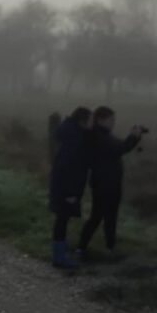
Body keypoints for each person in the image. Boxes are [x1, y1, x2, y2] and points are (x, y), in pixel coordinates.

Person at [78, 107, 143, 259]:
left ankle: (109, 247)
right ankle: (81, 248)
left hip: (110, 182)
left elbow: (120, 147)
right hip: (103, 183)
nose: (113, 123)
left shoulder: (103, 134)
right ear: (101, 120)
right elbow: (119, 149)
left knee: (110, 217)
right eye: (111, 120)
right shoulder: (97, 135)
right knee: (97, 216)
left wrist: (133, 138)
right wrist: (133, 137)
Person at [48, 106, 92, 269]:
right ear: (82, 121)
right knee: (62, 220)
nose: (92, 124)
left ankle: (60, 252)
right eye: (90, 120)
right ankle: (59, 258)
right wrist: (70, 192)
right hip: (66, 188)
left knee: (62, 219)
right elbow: (68, 167)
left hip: (62, 186)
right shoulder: (74, 139)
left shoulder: (71, 133)